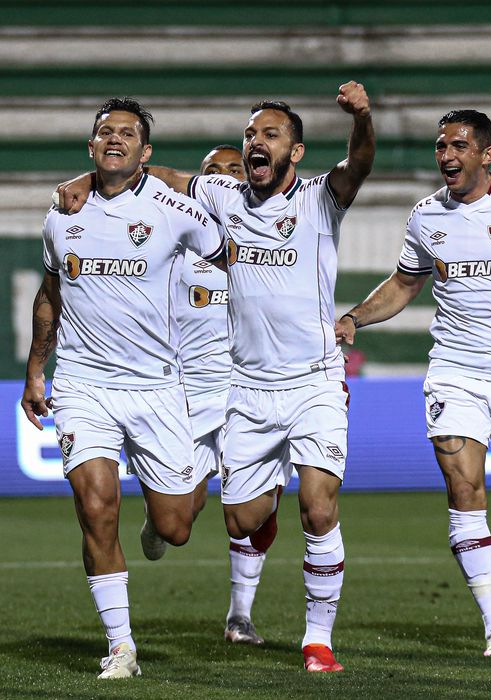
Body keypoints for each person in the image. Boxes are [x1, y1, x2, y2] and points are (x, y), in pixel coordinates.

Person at [56, 81, 375, 672]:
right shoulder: (219, 202)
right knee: (235, 520)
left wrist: (361, 118)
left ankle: (317, 640)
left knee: (319, 506)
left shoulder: (319, 200)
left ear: (295, 151)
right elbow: (168, 177)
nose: (254, 143)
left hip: (313, 381)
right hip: (237, 388)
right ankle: (233, 559)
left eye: (268, 135)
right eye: (249, 133)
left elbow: (358, 164)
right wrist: (90, 184)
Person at [335, 109, 491, 657]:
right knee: (464, 490)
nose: (446, 155)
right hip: (455, 371)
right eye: (440, 146)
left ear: (486, 154)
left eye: (459, 146)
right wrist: (355, 315)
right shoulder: (427, 216)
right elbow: (405, 283)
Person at [21, 97, 225, 679]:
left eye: (128, 134)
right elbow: (50, 294)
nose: (114, 139)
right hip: (85, 384)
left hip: (158, 385)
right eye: (105, 132)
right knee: (95, 507)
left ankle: (158, 521)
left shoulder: (174, 210)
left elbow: (228, 257)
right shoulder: (61, 214)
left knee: (176, 527)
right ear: (91, 145)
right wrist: (36, 371)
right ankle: (120, 645)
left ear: (146, 152)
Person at [176, 144, 278, 646]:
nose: (219, 179)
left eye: (231, 171)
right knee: (178, 517)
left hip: (254, 389)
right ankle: (160, 520)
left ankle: (240, 615)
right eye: (209, 172)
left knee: (258, 510)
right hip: (191, 394)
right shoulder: (172, 243)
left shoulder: (268, 241)